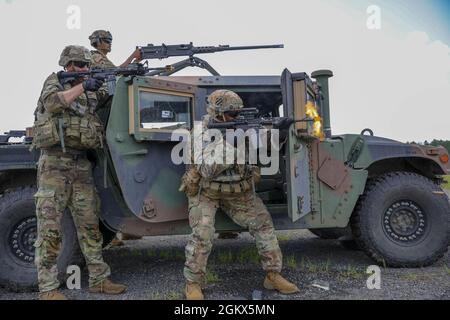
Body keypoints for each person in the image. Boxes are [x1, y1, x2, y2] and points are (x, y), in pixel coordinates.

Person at [180, 90, 299, 300]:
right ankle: (193, 283)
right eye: (231, 114)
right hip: (206, 191)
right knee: (203, 233)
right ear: (218, 113)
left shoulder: (242, 126)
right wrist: (231, 142)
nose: (236, 118)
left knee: (263, 224)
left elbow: (265, 148)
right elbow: (206, 169)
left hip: (238, 190)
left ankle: (272, 274)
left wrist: (277, 133)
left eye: (237, 114)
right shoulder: (200, 131)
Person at [32, 45, 126, 300]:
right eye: (77, 65)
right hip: (54, 164)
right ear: (67, 65)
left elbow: (111, 100)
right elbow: (52, 104)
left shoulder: (89, 92)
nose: (82, 69)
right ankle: (48, 288)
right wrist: (84, 86)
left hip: (81, 165)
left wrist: (119, 78)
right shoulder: (55, 82)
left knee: (90, 225)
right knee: (50, 228)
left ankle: (99, 279)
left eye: (85, 66)